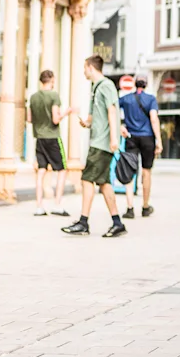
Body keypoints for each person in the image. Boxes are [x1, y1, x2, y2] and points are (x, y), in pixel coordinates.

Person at [61, 56, 127, 238]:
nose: (84, 71)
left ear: (91, 67)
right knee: (104, 183)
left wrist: (114, 138)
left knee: (86, 179)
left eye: (85, 67)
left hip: (101, 143)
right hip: (99, 141)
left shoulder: (106, 85)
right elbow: (97, 116)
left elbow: (112, 110)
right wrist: (87, 123)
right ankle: (117, 222)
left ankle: (83, 222)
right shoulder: (96, 87)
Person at [27, 70, 73, 216]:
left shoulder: (33, 97)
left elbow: (29, 119)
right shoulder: (54, 96)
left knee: (41, 171)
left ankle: (39, 206)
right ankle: (57, 204)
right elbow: (55, 119)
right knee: (62, 170)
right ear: (52, 80)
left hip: (39, 138)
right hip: (52, 137)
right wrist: (67, 112)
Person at [118, 76, 162, 219]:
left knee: (130, 169)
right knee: (146, 171)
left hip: (131, 137)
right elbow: (154, 119)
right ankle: (145, 206)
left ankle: (130, 207)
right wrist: (159, 140)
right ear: (146, 85)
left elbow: (112, 109)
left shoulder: (126, 99)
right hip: (148, 137)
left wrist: (120, 127)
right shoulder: (151, 99)